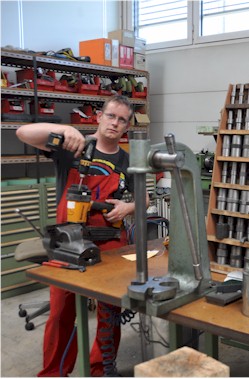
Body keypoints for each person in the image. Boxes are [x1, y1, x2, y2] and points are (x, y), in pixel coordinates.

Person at [17, 95, 145, 377]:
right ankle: (55, 373)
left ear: (127, 126)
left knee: (109, 313)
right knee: (61, 313)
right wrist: (64, 129)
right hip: (67, 243)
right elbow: (22, 132)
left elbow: (144, 197)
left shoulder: (127, 160)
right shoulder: (72, 147)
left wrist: (129, 206)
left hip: (110, 242)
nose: (115, 123)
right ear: (99, 116)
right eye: (111, 116)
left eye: (122, 119)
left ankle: (100, 369)